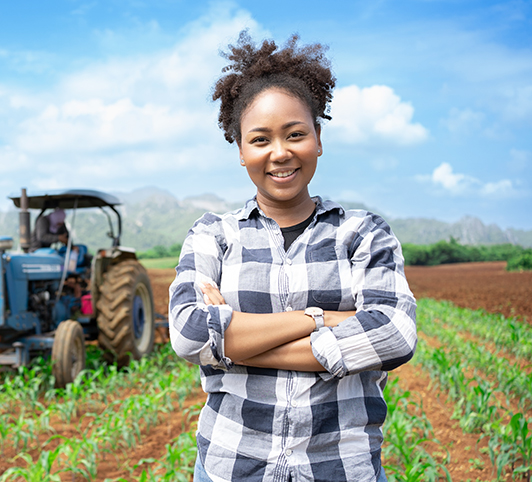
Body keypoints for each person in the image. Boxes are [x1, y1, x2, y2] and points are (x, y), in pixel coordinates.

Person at [168, 32, 417, 482]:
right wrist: (322, 318)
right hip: (232, 466)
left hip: (340, 466)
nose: (279, 153)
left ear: (317, 139)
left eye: (295, 134)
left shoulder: (363, 233)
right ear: (241, 151)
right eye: (260, 139)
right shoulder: (213, 235)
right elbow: (189, 334)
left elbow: (394, 334)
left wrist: (235, 345)